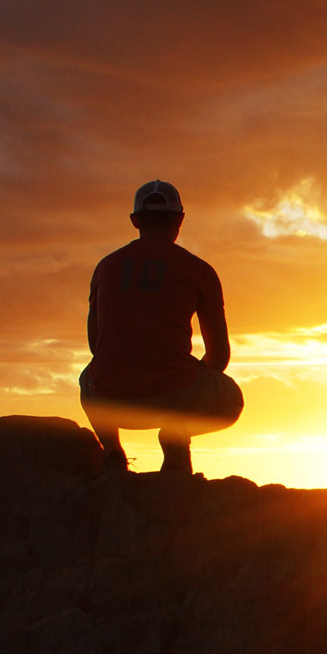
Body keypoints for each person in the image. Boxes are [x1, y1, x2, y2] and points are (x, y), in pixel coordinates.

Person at [80, 180, 243, 475]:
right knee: (232, 397)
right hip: (176, 397)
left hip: (111, 400)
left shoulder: (105, 267)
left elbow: (95, 344)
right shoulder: (199, 270)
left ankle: (114, 454)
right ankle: (175, 437)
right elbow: (219, 356)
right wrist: (188, 378)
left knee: (87, 376)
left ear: (135, 221)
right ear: (180, 220)